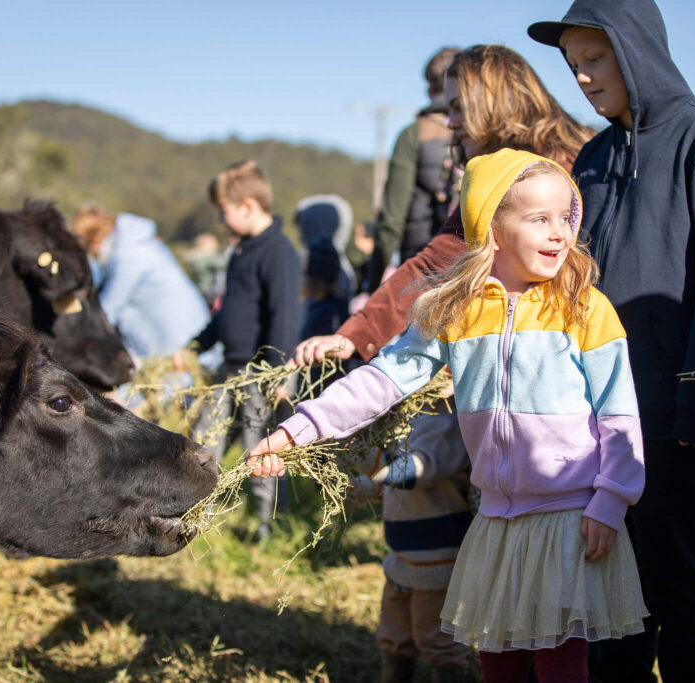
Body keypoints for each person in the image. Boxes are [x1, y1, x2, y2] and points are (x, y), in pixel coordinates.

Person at [252, 149, 647, 683]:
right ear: (493, 229)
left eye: (566, 218)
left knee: (560, 659)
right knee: (497, 655)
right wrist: (298, 429)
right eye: (539, 219)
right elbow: (382, 380)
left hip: (570, 516)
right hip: (496, 517)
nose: (559, 233)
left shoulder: (584, 306)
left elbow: (619, 412)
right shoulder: (455, 309)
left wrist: (611, 498)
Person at [528, 1, 695, 680]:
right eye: (574, 65)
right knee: (609, 588)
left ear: (636, 50)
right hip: (594, 412)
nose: (584, 78)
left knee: (678, 578)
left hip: (667, 406)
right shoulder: (591, 158)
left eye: (595, 59)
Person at [292, 45, 593, 368]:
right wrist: (355, 334)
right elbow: (435, 262)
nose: (450, 123)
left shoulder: (568, 167)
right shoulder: (499, 174)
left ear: (493, 100)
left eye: (459, 107)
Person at [189, 160, 301, 537]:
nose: (221, 219)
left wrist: (277, 371)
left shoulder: (279, 252)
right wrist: (195, 345)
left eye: (224, 211)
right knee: (206, 435)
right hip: (230, 367)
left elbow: (284, 315)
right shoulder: (239, 252)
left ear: (248, 206)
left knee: (261, 445)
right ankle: (192, 511)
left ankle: (271, 524)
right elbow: (227, 314)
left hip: (261, 373)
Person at [351, 406, 476, 683]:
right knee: (395, 634)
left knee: (439, 639)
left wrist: (364, 461)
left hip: (437, 559)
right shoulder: (410, 417)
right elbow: (400, 484)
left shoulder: (446, 423)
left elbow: (417, 472)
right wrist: (366, 482)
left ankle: (452, 674)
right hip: (402, 556)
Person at [366, 47, 462, 289]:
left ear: (429, 89)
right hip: (465, 261)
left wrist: (373, 282)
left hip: (420, 264)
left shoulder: (412, 135)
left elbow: (391, 220)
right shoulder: (478, 130)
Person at [71, 205, 210, 362]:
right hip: (191, 331)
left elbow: (108, 311)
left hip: (182, 345)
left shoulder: (128, 256)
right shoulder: (135, 243)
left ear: (93, 242)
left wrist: (72, 342)